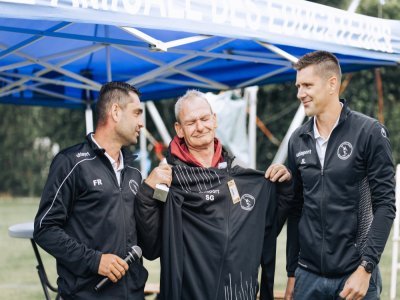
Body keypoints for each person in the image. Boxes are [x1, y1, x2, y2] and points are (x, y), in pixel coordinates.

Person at [135, 90, 292, 300]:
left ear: (214, 120)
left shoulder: (239, 175)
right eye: (191, 122)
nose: (200, 127)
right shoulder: (167, 180)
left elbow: (265, 228)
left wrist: (283, 189)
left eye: (204, 118)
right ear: (179, 129)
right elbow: (151, 248)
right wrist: (147, 194)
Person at [33, 81, 172, 299]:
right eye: (136, 113)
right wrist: (95, 261)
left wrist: (151, 196)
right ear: (115, 112)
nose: (141, 123)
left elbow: (147, 247)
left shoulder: (134, 172)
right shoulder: (70, 163)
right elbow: (45, 229)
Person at [284, 51, 396, 300]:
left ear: (332, 83)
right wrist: (292, 272)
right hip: (307, 278)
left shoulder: (370, 132)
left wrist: (366, 267)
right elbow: (296, 209)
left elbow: (386, 206)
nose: (300, 93)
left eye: (307, 85)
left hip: (354, 276)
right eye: (298, 86)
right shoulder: (297, 140)